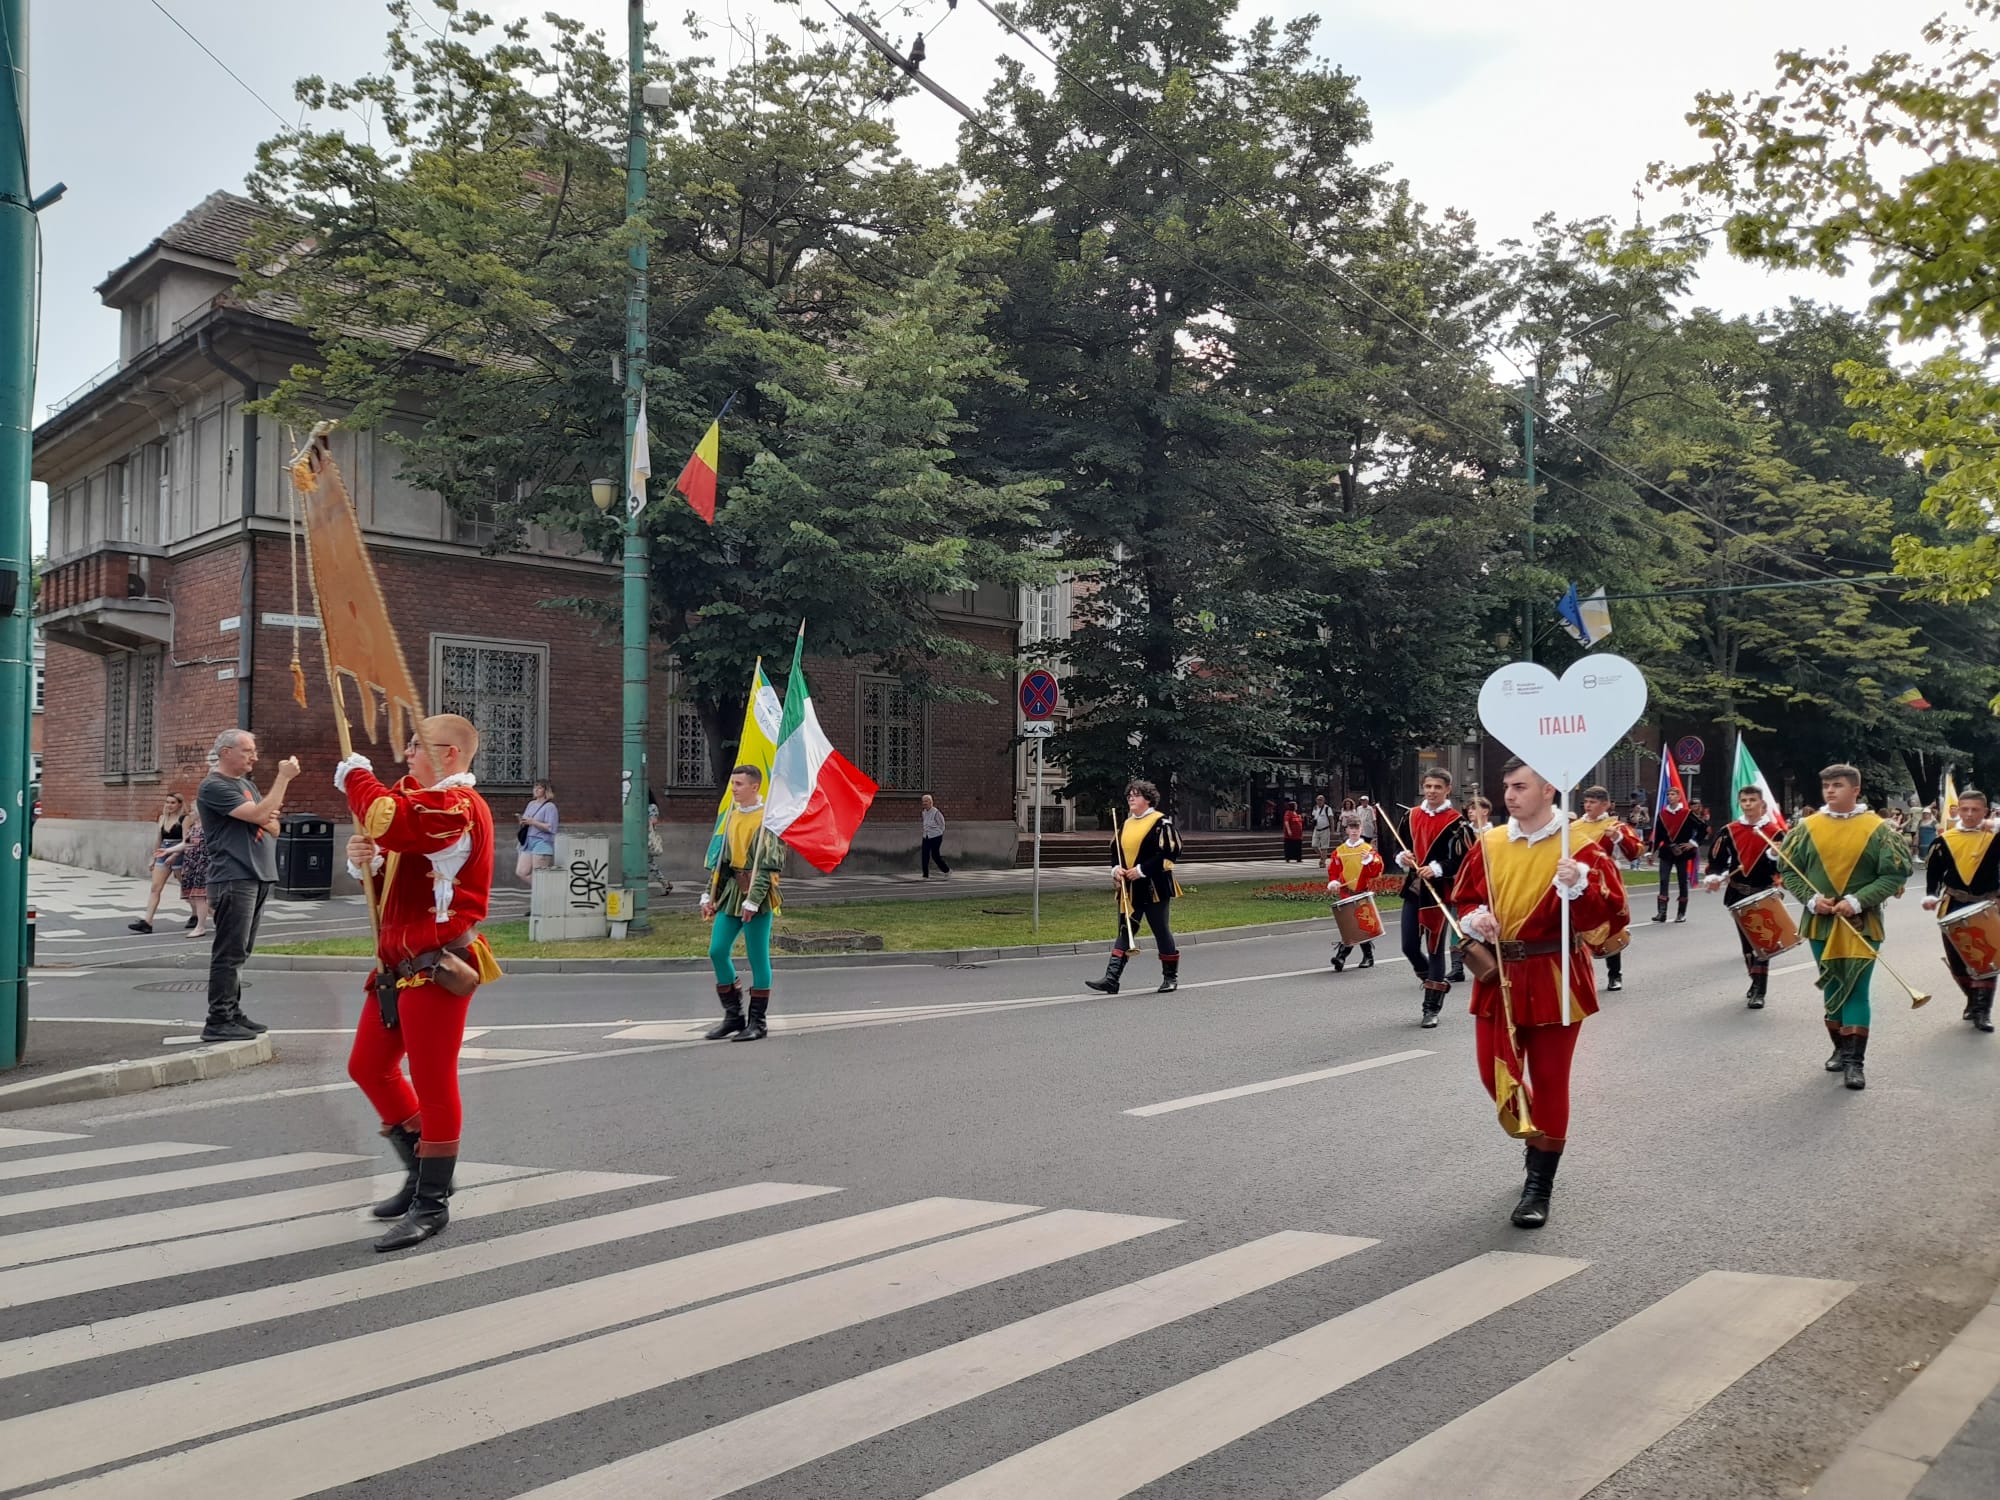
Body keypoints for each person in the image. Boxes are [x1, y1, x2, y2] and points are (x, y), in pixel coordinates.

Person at [337, 714, 498, 1252]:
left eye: (416, 745)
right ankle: (420, 1171)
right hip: (398, 961)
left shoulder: (458, 806)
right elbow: (394, 854)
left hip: (438, 963)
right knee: (368, 1066)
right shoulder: (424, 804)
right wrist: (366, 860)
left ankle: (432, 1202)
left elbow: (393, 819)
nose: (406, 753)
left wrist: (356, 775)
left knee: (433, 1079)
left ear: (449, 753)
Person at [1453, 757, 1629, 1229]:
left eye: (1520, 786)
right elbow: (1464, 896)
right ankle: (1536, 1139)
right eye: (1507, 786)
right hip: (1499, 974)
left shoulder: (1581, 847)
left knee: (1550, 1081)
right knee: (1494, 1074)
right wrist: (1476, 917)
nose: (1509, 795)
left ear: (1549, 789)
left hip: (1555, 972)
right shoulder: (1490, 842)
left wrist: (1580, 886)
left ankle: (1540, 1182)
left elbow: (1610, 917)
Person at [1779, 763, 1913, 1090]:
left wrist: (1857, 900)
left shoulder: (1879, 829)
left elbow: (1894, 874)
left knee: (1856, 988)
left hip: (1861, 922)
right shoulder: (1806, 827)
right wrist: (1811, 899)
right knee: (1833, 986)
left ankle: (1855, 1063)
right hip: (1820, 922)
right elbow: (1790, 870)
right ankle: (1840, 1049)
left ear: (1856, 790)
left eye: (1837, 785)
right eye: (1826, 785)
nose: (1830, 791)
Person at [196, 730, 299, 1042]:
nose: (254, 756)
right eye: (248, 750)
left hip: (257, 874)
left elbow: (274, 826)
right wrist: (282, 779)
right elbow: (262, 813)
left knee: (241, 951)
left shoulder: (247, 785)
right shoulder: (214, 786)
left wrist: (261, 816)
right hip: (233, 876)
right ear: (226, 752)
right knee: (229, 952)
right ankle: (218, 1019)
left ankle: (232, 1012)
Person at [701, 763, 787, 1041]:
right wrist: (710, 894)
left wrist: (753, 901)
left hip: (758, 896)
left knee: (757, 957)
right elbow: (722, 863)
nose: (733, 789)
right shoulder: (732, 816)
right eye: (732, 784)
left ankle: (758, 1022)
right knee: (717, 950)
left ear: (754, 786)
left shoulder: (769, 820)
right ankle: (734, 1016)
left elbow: (768, 866)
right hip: (732, 893)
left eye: (738, 784)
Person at [1390, 769, 1474, 1029]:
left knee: (1435, 949)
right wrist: (1402, 857)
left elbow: (1464, 860)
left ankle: (1431, 1007)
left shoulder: (1457, 823)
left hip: (1438, 893)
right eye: (1428, 786)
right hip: (1415, 889)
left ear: (1448, 789)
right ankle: (1434, 982)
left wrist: (1437, 868)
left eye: (1438, 787)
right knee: (1409, 946)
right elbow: (1399, 846)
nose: (1432, 791)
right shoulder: (1411, 815)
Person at [1085, 780, 1183, 996]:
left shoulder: (1161, 823)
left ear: (1147, 799)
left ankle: (1170, 978)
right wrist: (1116, 869)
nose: (1131, 798)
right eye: (1129, 794)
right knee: (1125, 930)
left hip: (1154, 887)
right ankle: (1111, 979)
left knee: (1161, 930)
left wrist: (1141, 870)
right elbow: (1116, 852)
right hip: (1130, 889)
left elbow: (1169, 854)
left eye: (1136, 795)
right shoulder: (1126, 824)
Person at [1702, 784, 1786, 1007]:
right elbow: (1717, 860)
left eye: (1752, 800)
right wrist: (1715, 876)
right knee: (1748, 943)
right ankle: (1755, 980)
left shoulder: (1775, 833)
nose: (1748, 804)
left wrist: (1775, 856)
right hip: (1738, 893)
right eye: (1744, 801)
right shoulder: (1729, 831)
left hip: (1764, 893)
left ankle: (1760, 990)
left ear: (1762, 803)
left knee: (1763, 941)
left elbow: (1785, 867)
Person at [1922, 786, 1999, 1033]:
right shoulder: (1945, 840)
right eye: (1964, 809)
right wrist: (1931, 895)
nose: (1969, 814)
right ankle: (1972, 1000)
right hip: (1954, 903)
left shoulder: (1994, 837)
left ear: (1985, 812)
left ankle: (1982, 1011)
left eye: (1975, 810)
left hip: (1987, 903)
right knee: (1958, 961)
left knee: (1986, 958)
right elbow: (1934, 872)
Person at [1573, 786, 1643, 993]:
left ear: (1605, 804)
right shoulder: (1574, 827)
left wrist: (1618, 838)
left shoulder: (1615, 826)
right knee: (1575, 928)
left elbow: (1636, 851)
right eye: (1586, 802)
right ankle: (1579, 977)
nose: (1588, 806)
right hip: (1577, 883)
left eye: (1593, 802)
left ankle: (1614, 974)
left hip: (1605, 882)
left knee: (1609, 926)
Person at [1326, 811, 1384, 971]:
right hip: (1346, 893)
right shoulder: (1340, 850)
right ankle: (1358, 957)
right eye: (1351, 828)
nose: (1354, 831)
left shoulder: (1367, 849)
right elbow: (1334, 870)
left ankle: (1345, 956)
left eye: (1357, 828)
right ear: (1346, 830)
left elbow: (1377, 871)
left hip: (1362, 892)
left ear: (1361, 829)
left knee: (1360, 924)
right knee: (1349, 925)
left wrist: (1370, 860)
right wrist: (1334, 881)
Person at [128, 791, 188, 933]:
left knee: (187, 888)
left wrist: (175, 854)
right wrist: (154, 858)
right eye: (167, 802)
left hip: (179, 851)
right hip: (163, 851)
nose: (169, 805)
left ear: (180, 804)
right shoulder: (162, 818)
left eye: (173, 803)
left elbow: (187, 841)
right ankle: (147, 922)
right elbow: (159, 840)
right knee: (155, 888)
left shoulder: (185, 819)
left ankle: (197, 914)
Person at [1648, 782, 1706, 923]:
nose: (1670, 796)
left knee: (1682, 881)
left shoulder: (1687, 814)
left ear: (1679, 797)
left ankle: (1681, 913)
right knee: (1663, 880)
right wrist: (1651, 852)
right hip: (1667, 851)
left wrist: (1692, 843)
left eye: (1673, 794)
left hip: (1682, 851)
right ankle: (1662, 912)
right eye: (1668, 794)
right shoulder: (1662, 814)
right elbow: (1658, 835)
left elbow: (1703, 828)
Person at [178, 806, 212, 939]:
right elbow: (186, 844)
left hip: (202, 864)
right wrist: (169, 852)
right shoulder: (193, 828)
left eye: (192, 810)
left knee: (200, 896)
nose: (189, 813)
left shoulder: (208, 828)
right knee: (191, 897)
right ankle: (218, 917)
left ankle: (200, 926)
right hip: (191, 864)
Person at [516, 779, 559, 884]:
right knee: (521, 872)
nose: (536, 790)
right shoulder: (531, 804)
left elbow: (551, 827)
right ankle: (542, 889)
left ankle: (543, 891)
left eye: (539, 788)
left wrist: (533, 822)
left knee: (539, 874)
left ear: (546, 791)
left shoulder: (550, 807)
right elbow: (527, 820)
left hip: (542, 842)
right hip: (528, 841)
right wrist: (522, 821)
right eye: (535, 787)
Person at [919, 793, 952, 878]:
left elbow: (942, 824)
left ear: (931, 802)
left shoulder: (936, 812)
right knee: (924, 855)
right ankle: (925, 875)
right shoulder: (924, 812)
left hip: (936, 837)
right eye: (923, 801)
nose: (924, 803)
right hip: (926, 836)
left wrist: (938, 833)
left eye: (926, 801)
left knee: (935, 855)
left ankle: (947, 870)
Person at [1310, 794, 1334, 859]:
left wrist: (1332, 830)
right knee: (1314, 845)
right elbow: (1314, 816)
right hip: (1316, 829)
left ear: (1324, 801)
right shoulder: (1315, 808)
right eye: (1318, 800)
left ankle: (1323, 861)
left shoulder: (1327, 808)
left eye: (1321, 800)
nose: (1319, 801)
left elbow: (1331, 819)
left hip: (1325, 829)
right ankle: (1323, 856)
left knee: (1324, 847)